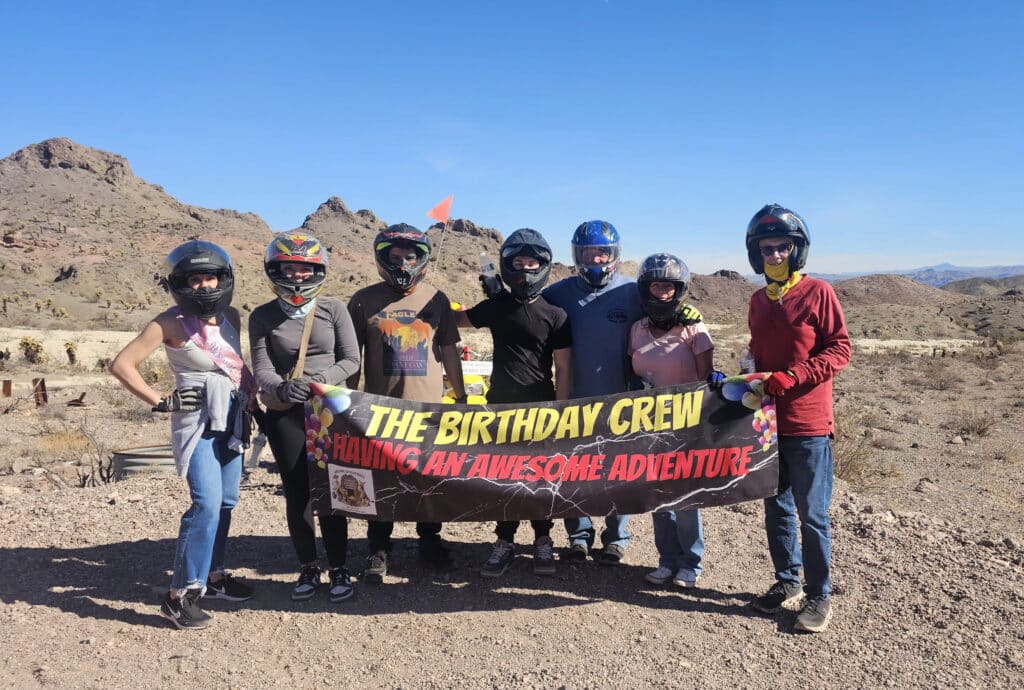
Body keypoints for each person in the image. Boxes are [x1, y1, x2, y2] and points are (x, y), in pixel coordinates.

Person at [110, 241, 254, 630]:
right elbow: (122, 364)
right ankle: (181, 594)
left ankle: (215, 575)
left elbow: (236, 368)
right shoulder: (168, 323)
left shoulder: (232, 317)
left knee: (226, 501)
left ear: (223, 279)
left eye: (210, 278)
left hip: (233, 420)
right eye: (195, 279)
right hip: (196, 425)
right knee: (205, 503)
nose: (205, 286)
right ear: (180, 284)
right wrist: (161, 402)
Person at [743, 204, 851, 633]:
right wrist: (748, 371)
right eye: (766, 248)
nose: (774, 255)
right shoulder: (756, 300)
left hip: (808, 423)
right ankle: (787, 581)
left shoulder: (819, 292)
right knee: (777, 508)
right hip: (770, 422)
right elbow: (761, 353)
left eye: (781, 247)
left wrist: (796, 375)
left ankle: (819, 593)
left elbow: (839, 349)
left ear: (796, 249)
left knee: (813, 514)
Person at [347, 223, 466, 583]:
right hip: (379, 409)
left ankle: (430, 540)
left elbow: (448, 350)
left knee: (429, 477)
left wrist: (460, 397)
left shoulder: (436, 299)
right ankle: (378, 546)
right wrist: (346, 401)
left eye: (410, 256)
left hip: (429, 408)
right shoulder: (363, 299)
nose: (402, 263)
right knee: (382, 479)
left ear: (422, 259)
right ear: (382, 259)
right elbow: (352, 356)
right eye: (395, 257)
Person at [249, 233, 362, 603]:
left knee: (333, 489)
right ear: (275, 270)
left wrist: (318, 383)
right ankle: (308, 566)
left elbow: (350, 359)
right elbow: (261, 368)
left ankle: (340, 566)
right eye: (290, 269)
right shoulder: (263, 316)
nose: (297, 276)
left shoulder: (333, 309)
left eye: (305, 269)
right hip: (286, 413)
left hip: (329, 410)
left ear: (318, 271)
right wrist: (282, 389)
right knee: (297, 492)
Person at [455, 228, 572, 577]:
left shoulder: (556, 314)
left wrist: (562, 411)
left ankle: (542, 541)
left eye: (531, 262)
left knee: (540, 478)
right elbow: (457, 322)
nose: (525, 269)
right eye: (518, 262)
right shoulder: (496, 306)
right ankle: (504, 541)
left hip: (542, 406)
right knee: (504, 478)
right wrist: (435, 304)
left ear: (543, 265)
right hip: (500, 406)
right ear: (506, 266)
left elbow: (564, 367)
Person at [541, 220, 643, 565]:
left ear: (615, 255)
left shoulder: (632, 292)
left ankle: (616, 537)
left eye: (603, 252)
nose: (596, 259)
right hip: (573, 400)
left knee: (620, 471)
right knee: (573, 472)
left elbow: (663, 319)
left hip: (622, 401)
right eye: (588, 252)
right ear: (576, 255)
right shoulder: (558, 293)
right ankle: (578, 536)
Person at [627, 253, 720, 589]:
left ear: (679, 289)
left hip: (685, 422)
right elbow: (632, 368)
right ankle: (666, 560)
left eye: (669, 286)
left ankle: (690, 564)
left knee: (684, 499)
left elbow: (706, 377)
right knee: (658, 497)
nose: (662, 291)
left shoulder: (695, 328)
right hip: (649, 423)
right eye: (656, 284)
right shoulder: (637, 329)